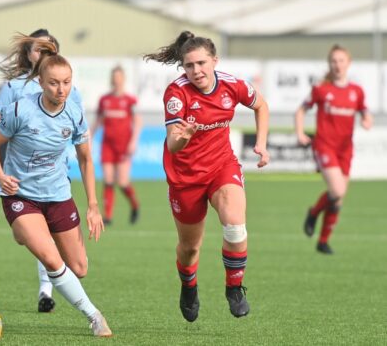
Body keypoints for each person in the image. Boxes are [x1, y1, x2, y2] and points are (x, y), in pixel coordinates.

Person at [0, 37, 112, 337]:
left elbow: (86, 160)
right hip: (20, 196)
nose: (61, 89)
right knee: (52, 260)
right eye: (54, 83)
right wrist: (1, 176)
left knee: (79, 268)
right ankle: (94, 316)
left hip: (58, 195)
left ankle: (28, 233)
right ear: (40, 82)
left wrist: (93, 205)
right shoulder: (19, 110)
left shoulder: (75, 113)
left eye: (67, 82)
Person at [144, 31, 270, 322]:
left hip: (221, 168)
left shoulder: (232, 85)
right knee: (190, 248)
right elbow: (173, 144)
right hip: (184, 177)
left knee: (236, 228)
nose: (196, 71)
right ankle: (188, 287)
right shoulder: (176, 93)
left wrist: (261, 143)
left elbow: (261, 105)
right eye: (189, 65)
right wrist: (184, 137)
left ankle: (234, 288)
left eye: (201, 63)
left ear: (214, 60)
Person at [0, 29, 83, 313]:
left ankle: (46, 288)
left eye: (46, 49)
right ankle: (51, 282)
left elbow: (77, 126)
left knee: (49, 236)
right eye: (36, 49)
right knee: (29, 235)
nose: (40, 54)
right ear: (28, 54)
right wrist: (16, 134)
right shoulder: (15, 87)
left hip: (56, 173)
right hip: (22, 176)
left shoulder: (68, 88)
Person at [295, 44, 373, 255]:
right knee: (337, 190)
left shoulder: (356, 91)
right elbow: (301, 110)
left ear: (348, 63)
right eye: (334, 61)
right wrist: (300, 132)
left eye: (341, 61)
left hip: (345, 149)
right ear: (329, 64)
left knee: (337, 199)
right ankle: (313, 212)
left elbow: (365, 111)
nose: (337, 65)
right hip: (324, 145)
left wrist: (367, 120)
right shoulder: (321, 89)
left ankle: (323, 241)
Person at [90, 66, 141, 225]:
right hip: (107, 145)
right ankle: (108, 216)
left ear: (123, 79)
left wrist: (134, 141)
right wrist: (89, 138)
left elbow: (138, 121)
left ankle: (134, 205)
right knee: (108, 179)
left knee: (123, 182)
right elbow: (98, 121)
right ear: (112, 79)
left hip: (124, 145)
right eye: (114, 77)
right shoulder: (104, 100)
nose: (117, 80)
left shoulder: (129, 100)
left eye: (119, 77)